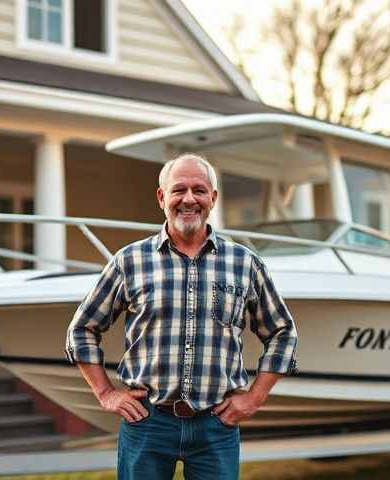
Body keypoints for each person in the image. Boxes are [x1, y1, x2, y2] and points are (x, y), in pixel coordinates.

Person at [65, 153, 298, 480]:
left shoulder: (245, 263)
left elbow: (283, 333)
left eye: (199, 190)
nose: (189, 199)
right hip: (146, 423)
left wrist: (255, 398)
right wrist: (105, 393)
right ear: (162, 197)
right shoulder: (129, 262)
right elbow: (81, 330)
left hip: (216, 426)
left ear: (213, 199)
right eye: (179, 190)